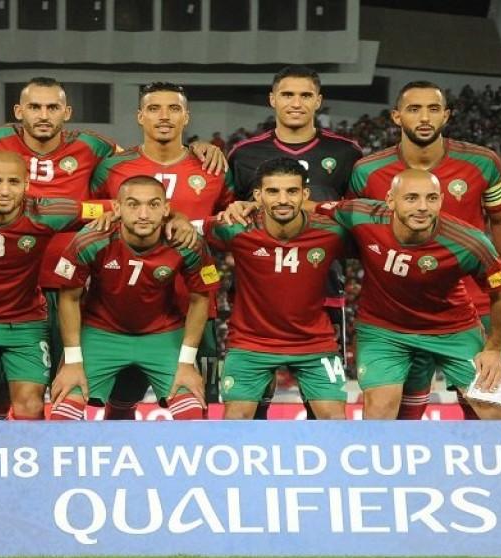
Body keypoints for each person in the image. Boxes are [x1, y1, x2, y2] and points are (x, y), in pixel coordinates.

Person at [0, 77, 226, 419]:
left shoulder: (95, 148)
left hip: (67, 290)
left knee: (49, 390)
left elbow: (132, 195)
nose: (43, 115)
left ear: (67, 112)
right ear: (19, 111)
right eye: (35, 107)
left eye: (52, 107)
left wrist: (183, 182)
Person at [349, 81, 501, 420]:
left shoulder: (482, 163)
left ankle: (485, 458)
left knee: (487, 405)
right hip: (400, 309)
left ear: (446, 115)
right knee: (405, 406)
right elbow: (355, 229)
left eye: (433, 109)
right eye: (414, 109)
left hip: (476, 303)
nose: (424, 117)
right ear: (396, 116)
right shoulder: (367, 172)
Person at [90, 81, 235, 419]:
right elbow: (93, 221)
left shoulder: (213, 168)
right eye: (154, 109)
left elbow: (230, 227)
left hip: (195, 306)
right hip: (125, 312)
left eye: (174, 109)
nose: (164, 116)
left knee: (198, 404)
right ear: (140, 116)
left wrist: (199, 228)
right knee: (121, 403)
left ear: (187, 116)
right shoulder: (112, 167)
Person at [0, 151, 110, 421]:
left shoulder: (46, 212)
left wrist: (126, 213)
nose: (4, 191)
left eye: (13, 182)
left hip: (25, 323)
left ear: (26, 184)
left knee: (30, 407)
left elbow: (114, 206)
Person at [322, 169, 501, 420]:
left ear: (441, 201)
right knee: (380, 409)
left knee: (495, 411)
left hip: (453, 330)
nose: (423, 207)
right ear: (391, 200)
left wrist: (494, 349)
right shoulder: (360, 214)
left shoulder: (469, 242)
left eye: (431, 198)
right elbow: (308, 208)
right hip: (383, 330)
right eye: (411, 198)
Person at [226, 65, 362, 420]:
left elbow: (358, 220)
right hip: (256, 296)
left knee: (324, 408)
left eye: (305, 95)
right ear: (272, 99)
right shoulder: (244, 154)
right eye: (287, 94)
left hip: (322, 289)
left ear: (318, 100)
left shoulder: (347, 153)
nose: (296, 103)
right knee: (252, 406)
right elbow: (229, 216)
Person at [50, 176, 218, 420]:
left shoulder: (188, 243)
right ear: (117, 208)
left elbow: (200, 298)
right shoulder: (92, 239)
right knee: (64, 412)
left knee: (192, 413)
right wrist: (73, 362)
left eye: (153, 205)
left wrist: (186, 363)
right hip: (100, 333)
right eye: (133, 204)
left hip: (162, 334)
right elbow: (69, 298)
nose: (143, 214)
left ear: (166, 209)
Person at [205, 158, 348, 419]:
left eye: (292, 191)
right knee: (236, 420)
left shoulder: (332, 232)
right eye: (273, 191)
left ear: (305, 194)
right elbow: (186, 229)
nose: (283, 200)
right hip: (250, 343)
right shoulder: (237, 227)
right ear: (258, 195)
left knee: (335, 421)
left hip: (314, 343)